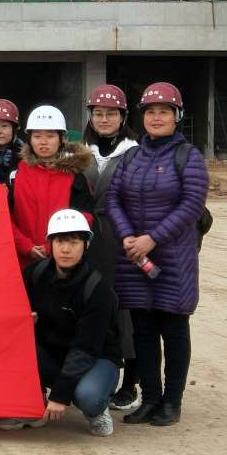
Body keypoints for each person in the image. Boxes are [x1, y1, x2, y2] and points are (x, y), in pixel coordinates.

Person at [105, 82, 209, 427]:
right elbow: (114, 199)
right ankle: (150, 398)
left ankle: (171, 402)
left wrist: (152, 239)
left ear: (177, 116)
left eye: (164, 111)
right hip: (135, 258)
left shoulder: (188, 157)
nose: (156, 117)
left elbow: (191, 205)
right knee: (144, 331)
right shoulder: (132, 157)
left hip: (173, 259)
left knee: (174, 330)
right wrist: (127, 236)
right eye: (150, 111)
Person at [0, 209, 121, 436]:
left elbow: (86, 348)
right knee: (13, 340)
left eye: (73, 242)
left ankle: (98, 409)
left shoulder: (97, 289)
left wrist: (61, 395)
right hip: (53, 354)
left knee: (88, 396)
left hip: (95, 357)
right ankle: (33, 404)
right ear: (50, 244)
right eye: (60, 241)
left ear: (86, 245)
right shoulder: (34, 274)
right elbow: (8, 312)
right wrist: (25, 319)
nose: (65, 249)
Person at [81, 84, 141, 412]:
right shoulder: (77, 153)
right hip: (87, 240)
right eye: (99, 113)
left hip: (123, 239)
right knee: (90, 306)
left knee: (127, 310)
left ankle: (130, 381)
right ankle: (89, 376)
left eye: (111, 114)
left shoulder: (136, 153)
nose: (104, 119)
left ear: (123, 117)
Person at [10, 105, 94, 267]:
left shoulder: (74, 176)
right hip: (21, 260)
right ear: (30, 139)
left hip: (62, 262)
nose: (43, 142)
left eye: (50, 136)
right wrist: (25, 246)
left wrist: (50, 247)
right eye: (37, 136)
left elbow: (85, 218)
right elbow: (6, 216)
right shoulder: (16, 173)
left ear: (61, 138)